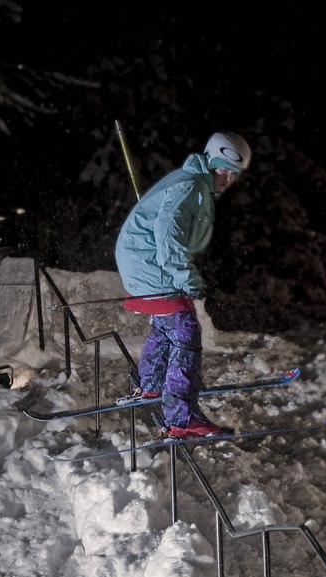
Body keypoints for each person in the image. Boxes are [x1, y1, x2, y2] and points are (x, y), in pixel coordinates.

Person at [115, 131, 252, 438]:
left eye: (234, 175)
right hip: (149, 263)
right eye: (224, 170)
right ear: (211, 163)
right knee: (185, 331)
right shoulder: (189, 186)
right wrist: (187, 279)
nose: (228, 180)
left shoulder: (193, 182)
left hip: (141, 262)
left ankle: (150, 385)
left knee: (166, 327)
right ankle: (181, 415)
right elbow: (168, 238)